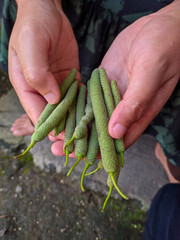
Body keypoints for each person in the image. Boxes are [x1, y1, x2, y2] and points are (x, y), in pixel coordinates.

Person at [0, 0, 180, 238]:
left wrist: (175, 18)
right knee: (50, 87)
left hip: (157, 32)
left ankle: (166, 154)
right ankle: (43, 117)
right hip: (69, 16)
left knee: (146, 99)